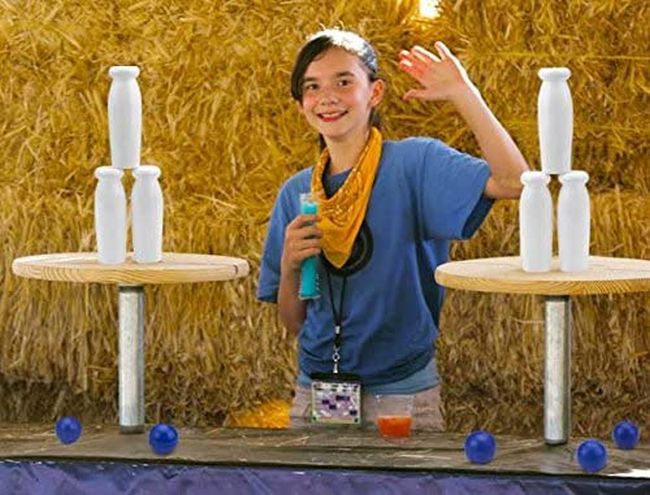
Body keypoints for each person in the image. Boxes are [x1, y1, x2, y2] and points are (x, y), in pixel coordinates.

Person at [257, 29, 529, 430]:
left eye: (344, 82)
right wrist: (292, 265)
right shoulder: (298, 193)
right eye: (312, 87)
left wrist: (462, 92)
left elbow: (514, 182)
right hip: (320, 390)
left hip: (402, 394)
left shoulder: (415, 165)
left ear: (376, 92)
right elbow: (294, 323)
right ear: (301, 105)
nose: (327, 96)